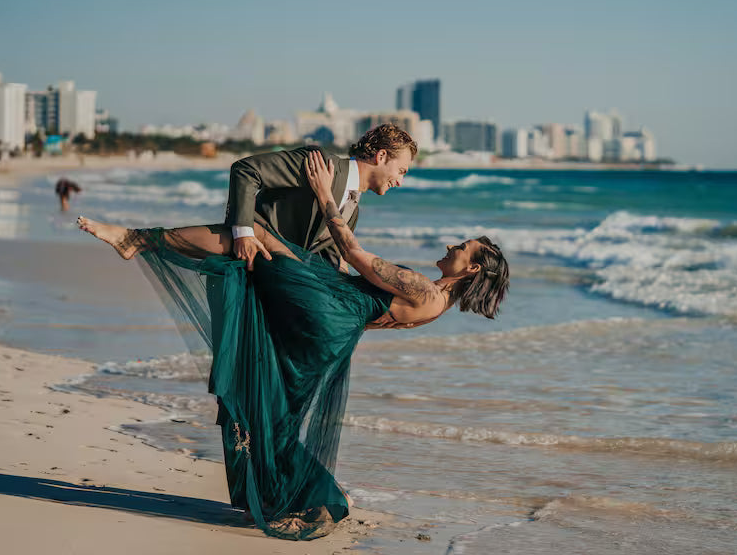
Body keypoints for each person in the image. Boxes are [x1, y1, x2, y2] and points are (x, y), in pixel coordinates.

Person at [75, 154, 510, 541]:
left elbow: (353, 252)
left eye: (461, 248)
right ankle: (305, 494)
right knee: (276, 414)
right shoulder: (435, 304)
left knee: (257, 235)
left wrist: (324, 194)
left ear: (471, 269)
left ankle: (139, 240)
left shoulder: (424, 290)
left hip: (330, 314)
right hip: (334, 323)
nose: (451, 246)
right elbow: (365, 293)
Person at [224, 123, 416, 272]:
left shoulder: (352, 212)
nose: (400, 182)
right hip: (239, 259)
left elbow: (329, 258)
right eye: (401, 171)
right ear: (381, 156)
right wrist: (244, 234)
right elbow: (246, 170)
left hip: (273, 277)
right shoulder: (320, 164)